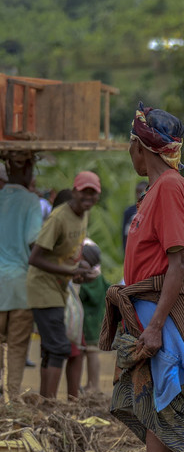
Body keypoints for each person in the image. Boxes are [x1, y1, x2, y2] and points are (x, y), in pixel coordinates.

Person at [105, 102, 184, 452]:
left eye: (130, 144)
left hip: (166, 317)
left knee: (178, 404)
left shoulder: (169, 188)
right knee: (153, 406)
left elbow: (178, 261)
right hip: (149, 312)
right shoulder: (153, 191)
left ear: (140, 147)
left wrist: (155, 325)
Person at [27, 171, 100, 400]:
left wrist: (80, 273)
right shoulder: (59, 218)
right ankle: (49, 405)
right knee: (59, 347)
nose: (88, 197)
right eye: (84, 191)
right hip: (43, 286)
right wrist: (71, 272)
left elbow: (68, 256)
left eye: (93, 193)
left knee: (52, 348)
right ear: (74, 191)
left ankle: (44, 403)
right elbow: (35, 258)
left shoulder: (83, 215)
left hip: (60, 287)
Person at [0, 153, 44, 402]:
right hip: (20, 285)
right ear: (28, 168)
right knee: (17, 347)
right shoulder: (30, 201)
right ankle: (12, 400)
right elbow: (33, 242)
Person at [78, 241, 110, 394]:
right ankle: (93, 384)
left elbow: (79, 296)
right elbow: (108, 290)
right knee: (93, 353)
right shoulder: (100, 278)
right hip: (97, 322)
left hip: (85, 325)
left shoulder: (85, 281)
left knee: (85, 354)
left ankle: (90, 385)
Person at [121, 180, 149, 256]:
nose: (139, 195)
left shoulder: (153, 210)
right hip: (132, 251)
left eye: (142, 192)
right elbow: (125, 234)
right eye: (137, 192)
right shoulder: (129, 211)